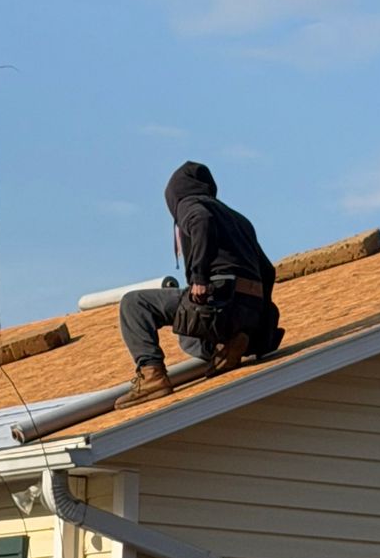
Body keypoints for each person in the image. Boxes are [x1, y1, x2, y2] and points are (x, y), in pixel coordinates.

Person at [117, 163, 283, 405]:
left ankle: (151, 375)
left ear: (173, 195)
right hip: (249, 314)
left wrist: (199, 278)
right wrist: (255, 319)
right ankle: (231, 343)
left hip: (219, 300)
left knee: (133, 303)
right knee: (188, 337)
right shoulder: (239, 220)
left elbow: (201, 220)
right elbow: (267, 271)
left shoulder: (190, 204)